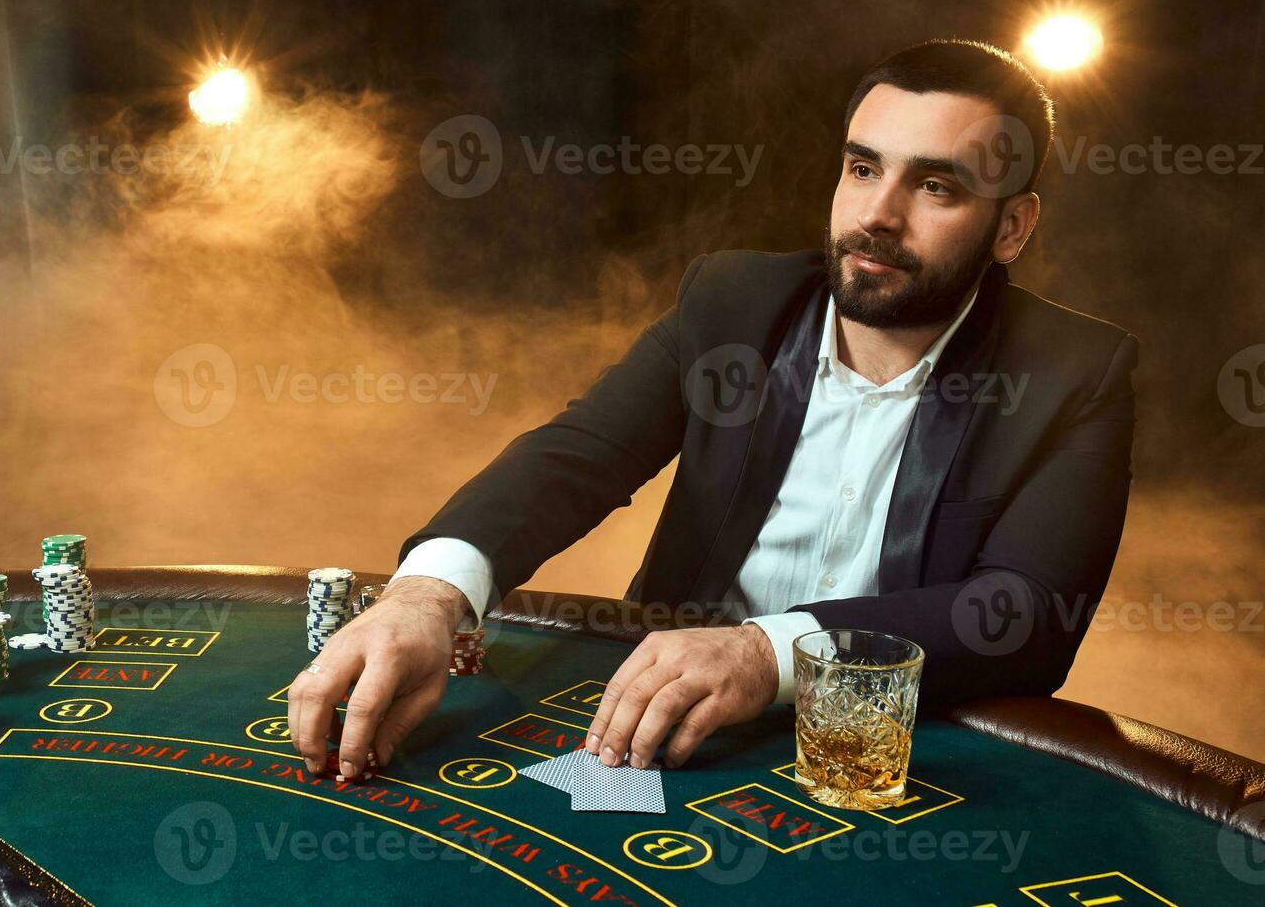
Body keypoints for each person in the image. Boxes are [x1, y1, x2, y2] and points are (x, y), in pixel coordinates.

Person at [288, 39, 1137, 782]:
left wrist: (764, 652)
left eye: (937, 187)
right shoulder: (734, 302)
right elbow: (577, 454)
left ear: (1013, 227)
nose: (877, 215)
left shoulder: (1074, 374)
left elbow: (1023, 616)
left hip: (887, 762)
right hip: (663, 735)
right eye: (863, 167)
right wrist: (426, 598)